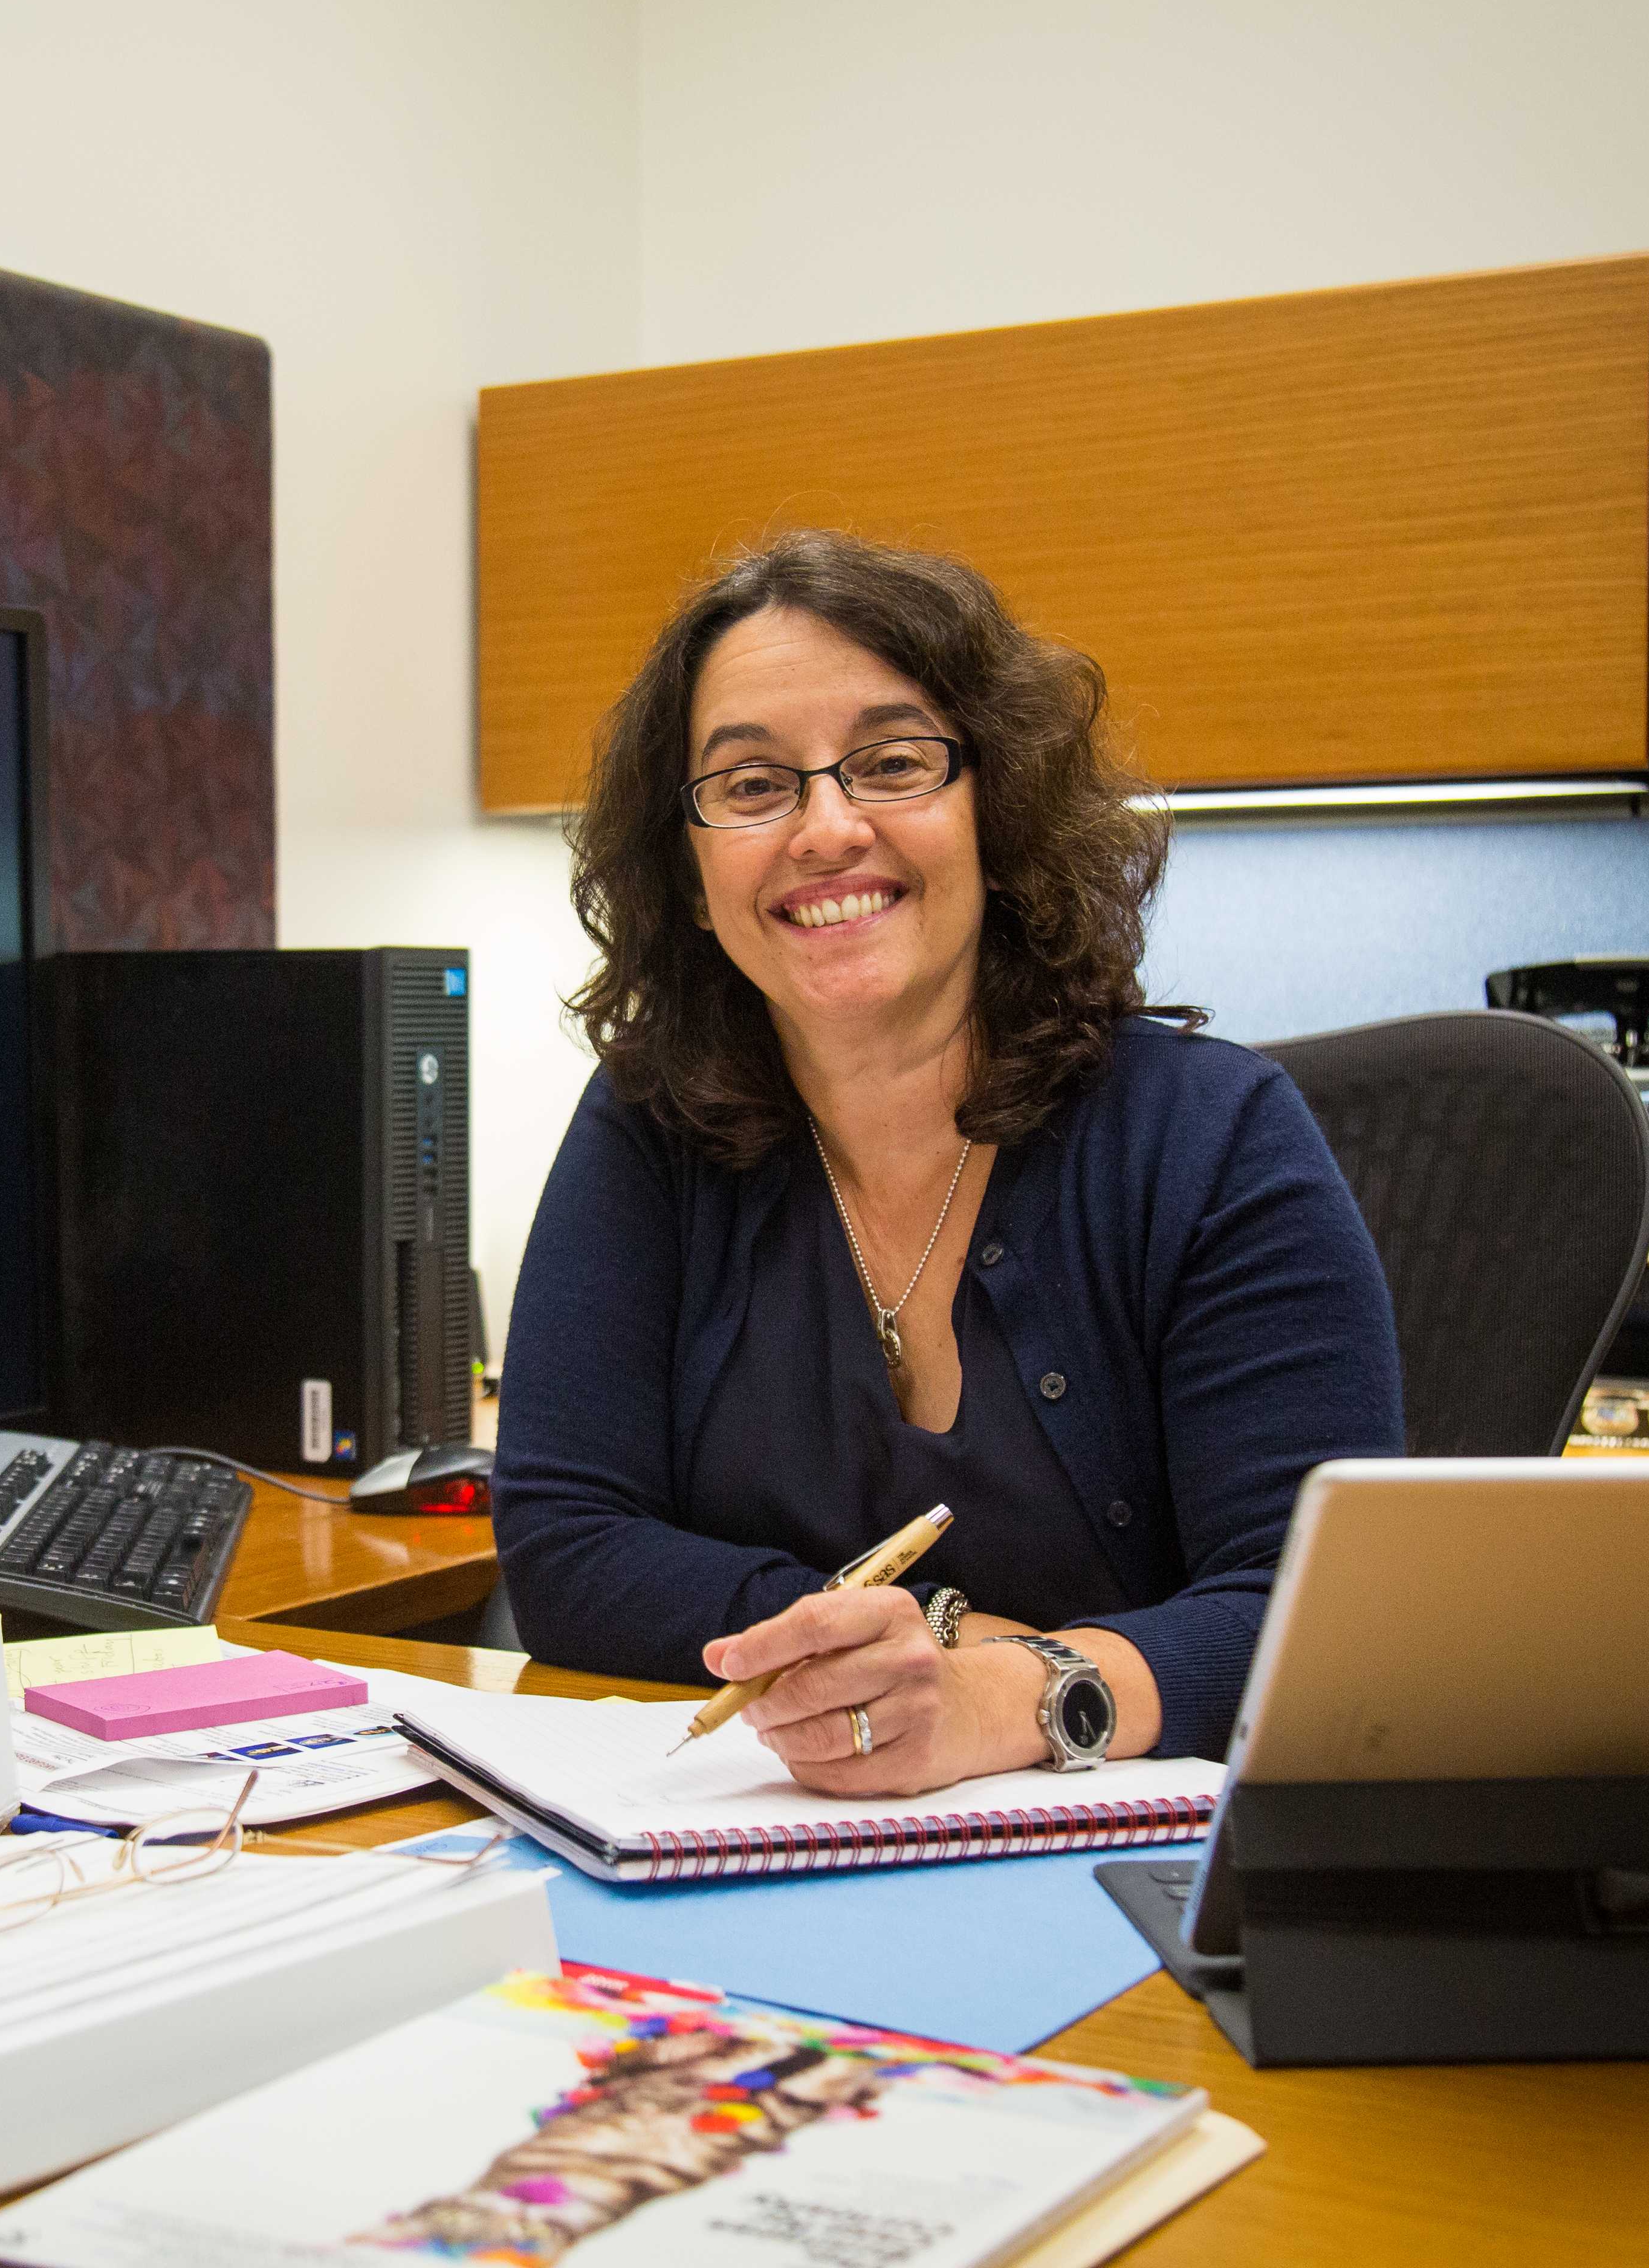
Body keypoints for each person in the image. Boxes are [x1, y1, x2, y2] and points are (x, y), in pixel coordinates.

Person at [494, 531, 1404, 1798]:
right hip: (763, 1852)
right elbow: (564, 1548)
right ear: (693, 873)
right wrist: (887, 1645)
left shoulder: (1212, 1138)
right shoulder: (653, 1128)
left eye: (892, 763)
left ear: (997, 811)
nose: (827, 827)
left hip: (1142, 1877)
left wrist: (1010, 1696)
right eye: (752, 786)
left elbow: (1315, 1615)